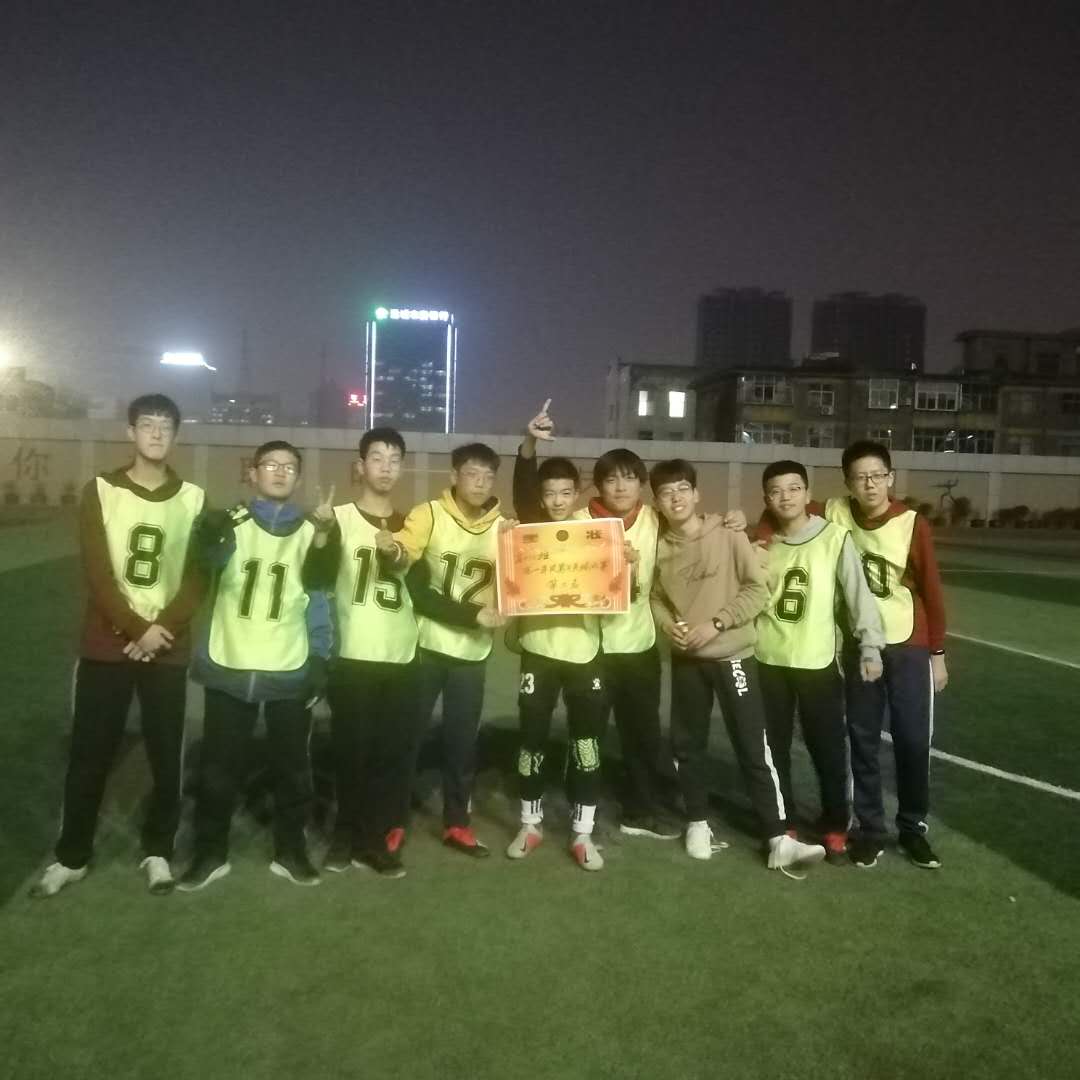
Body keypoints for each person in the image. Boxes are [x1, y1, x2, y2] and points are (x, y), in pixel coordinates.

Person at [32, 394, 206, 898]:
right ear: (130, 432)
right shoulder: (102, 490)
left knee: (166, 755)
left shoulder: (193, 498)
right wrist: (135, 628)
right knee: (90, 752)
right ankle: (73, 855)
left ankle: (158, 850)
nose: (156, 433)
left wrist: (158, 629)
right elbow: (98, 572)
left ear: (176, 435)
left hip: (166, 647)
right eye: (147, 424)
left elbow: (198, 576)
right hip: (107, 645)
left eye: (165, 425)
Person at [649, 459, 825, 871]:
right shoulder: (660, 548)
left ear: (696, 494)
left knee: (752, 746)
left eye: (682, 489)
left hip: (733, 657)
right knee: (687, 744)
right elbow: (655, 597)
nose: (675, 498)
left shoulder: (729, 534)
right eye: (665, 493)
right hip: (687, 659)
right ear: (657, 502)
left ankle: (778, 837)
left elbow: (757, 591)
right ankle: (697, 822)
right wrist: (668, 626)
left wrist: (716, 623)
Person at [178, 440, 331, 890]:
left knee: (293, 769)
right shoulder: (232, 521)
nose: (280, 472)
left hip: (288, 663)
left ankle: (291, 850)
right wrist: (206, 536)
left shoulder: (312, 530)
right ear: (253, 472)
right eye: (271, 464)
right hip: (231, 658)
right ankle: (210, 853)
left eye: (289, 467)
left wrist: (320, 658)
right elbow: (206, 562)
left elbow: (319, 597)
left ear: (298, 477)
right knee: (218, 769)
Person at [754, 460, 885, 864]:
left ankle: (834, 825)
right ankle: (785, 821)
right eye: (776, 491)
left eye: (794, 488)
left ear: (808, 494)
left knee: (826, 748)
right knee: (773, 747)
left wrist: (870, 645)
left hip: (817, 660)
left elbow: (858, 594)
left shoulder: (833, 537)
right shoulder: (763, 544)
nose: (785, 497)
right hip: (768, 658)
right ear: (767, 499)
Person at [387, 443, 507, 857]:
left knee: (462, 743)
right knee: (408, 736)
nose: (480, 482)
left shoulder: (504, 527)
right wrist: (394, 550)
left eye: (488, 476)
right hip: (428, 645)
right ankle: (393, 819)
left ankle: (457, 823)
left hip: (472, 653)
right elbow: (416, 585)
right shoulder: (429, 514)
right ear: (454, 476)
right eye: (472, 473)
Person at [312, 428, 420, 879]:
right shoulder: (337, 517)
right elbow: (315, 577)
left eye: (394, 459)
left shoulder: (412, 525)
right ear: (360, 466)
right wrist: (321, 535)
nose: (386, 467)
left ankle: (373, 840)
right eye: (377, 457)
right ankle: (345, 835)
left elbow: (421, 588)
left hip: (401, 655)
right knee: (350, 753)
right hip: (353, 653)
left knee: (388, 755)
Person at [505, 401, 607, 870]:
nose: (557, 501)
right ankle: (530, 824)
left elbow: (617, 582)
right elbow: (521, 483)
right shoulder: (533, 526)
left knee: (586, 743)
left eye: (566, 492)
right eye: (550, 493)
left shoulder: (596, 531)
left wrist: (625, 563)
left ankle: (583, 833)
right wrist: (529, 442)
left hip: (584, 651)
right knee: (531, 740)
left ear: (577, 493)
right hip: (538, 651)